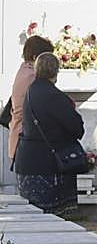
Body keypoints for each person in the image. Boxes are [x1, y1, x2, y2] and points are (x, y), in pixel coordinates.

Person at [14, 53, 84, 215]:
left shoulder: (30, 92)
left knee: (32, 221)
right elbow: (77, 128)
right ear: (56, 72)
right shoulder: (55, 96)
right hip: (48, 167)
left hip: (27, 162)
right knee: (55, 221)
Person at [8, 34, 54, 169]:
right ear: (36, 57)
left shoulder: (23, 71)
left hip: (21, 136)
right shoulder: (32, 76)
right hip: (27, 139)